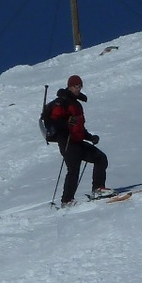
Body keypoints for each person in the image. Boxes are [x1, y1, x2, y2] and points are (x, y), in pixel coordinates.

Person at [47, 75, 111, 205]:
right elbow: (54, 120)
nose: (78, 89)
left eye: (80, 86)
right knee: (73, 169)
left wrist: (90, 137)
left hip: (77, 140)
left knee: (100, 158)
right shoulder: (62, 102)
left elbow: (79, 127)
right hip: (66, 141)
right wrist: (67, 122)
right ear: (70, 86)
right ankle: (67, 200)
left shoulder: (76, 104)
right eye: (76, 86)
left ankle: (98, 189)